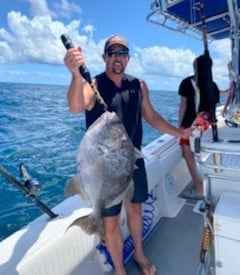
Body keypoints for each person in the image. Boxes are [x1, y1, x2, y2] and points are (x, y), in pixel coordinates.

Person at [64, 34, 192, 275]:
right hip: (104, 168)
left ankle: (140, 256)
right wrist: (74, 75)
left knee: (135, 210)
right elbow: (75, 107)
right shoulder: (94, 85)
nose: (118, 57)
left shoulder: (138, 85)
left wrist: (179, 132)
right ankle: (120, 271)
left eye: (123, 53)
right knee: (111, 222)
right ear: (104, 57)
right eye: (113, 53)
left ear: (129, 58)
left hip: (133, 163)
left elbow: (152, 117)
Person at [178, 55, 220, 198]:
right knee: (203, 156)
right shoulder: (213, 86)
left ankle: (198, 188)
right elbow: (212, 109)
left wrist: (179, 127)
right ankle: (211, 185)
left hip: (188, 127)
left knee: (187, 154)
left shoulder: (186, 82)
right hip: (206, 127)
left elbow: (183, 105)